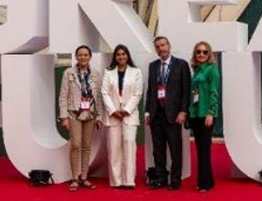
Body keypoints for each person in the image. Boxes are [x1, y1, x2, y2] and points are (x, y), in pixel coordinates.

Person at [145, 35, 190, 190]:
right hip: (156, 113)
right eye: (157, 47)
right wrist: (147, 112)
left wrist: (183, 111)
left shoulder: (181, 65)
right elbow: (151, 90)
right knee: (158, 149)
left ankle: (175, 180)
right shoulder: (153, 66)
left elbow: (186, 90)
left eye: (163, 45)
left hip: (173, 114)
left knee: (175, 149)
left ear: (169, 45)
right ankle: (161, 177)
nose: (161, 49)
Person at [58, 44, 103, 191]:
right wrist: (64, 117)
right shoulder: (68, 73)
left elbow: (98, 97)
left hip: (90, 114)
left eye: (86, 55)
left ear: (90, 57)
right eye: (80, 55)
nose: (83, 57)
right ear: (76, 57)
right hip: (74, 114)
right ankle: (75, 178)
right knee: (76, 145)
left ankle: (84, 177)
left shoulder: (95, 74)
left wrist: (99, 116)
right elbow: (63, 96)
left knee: (86, 146)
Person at [101, 44, 143, 189]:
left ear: (127, 56)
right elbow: (104, 93)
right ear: (115, 57)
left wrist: (126, 110)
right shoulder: (108, 72)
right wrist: (113, 111)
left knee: (129, 144)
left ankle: (129, 180)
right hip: (113, 116)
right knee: (114, 148)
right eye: (118, 54)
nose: (121, 57)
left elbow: (138, 93)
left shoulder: (136, 72)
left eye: (123, 54)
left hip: (129, 116)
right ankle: (116, 181)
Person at [188, 41, 220, 192]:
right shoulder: (196, 70)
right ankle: (209, 180)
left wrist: (211, 113)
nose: (201, 54)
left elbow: (214, 92)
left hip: (206, 115)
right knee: (200, 148)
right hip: (195, 114)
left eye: (205, 52)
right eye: (198, 51)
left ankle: (204, 184)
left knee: (204, 149)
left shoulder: (212, 70)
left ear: (209, 54)